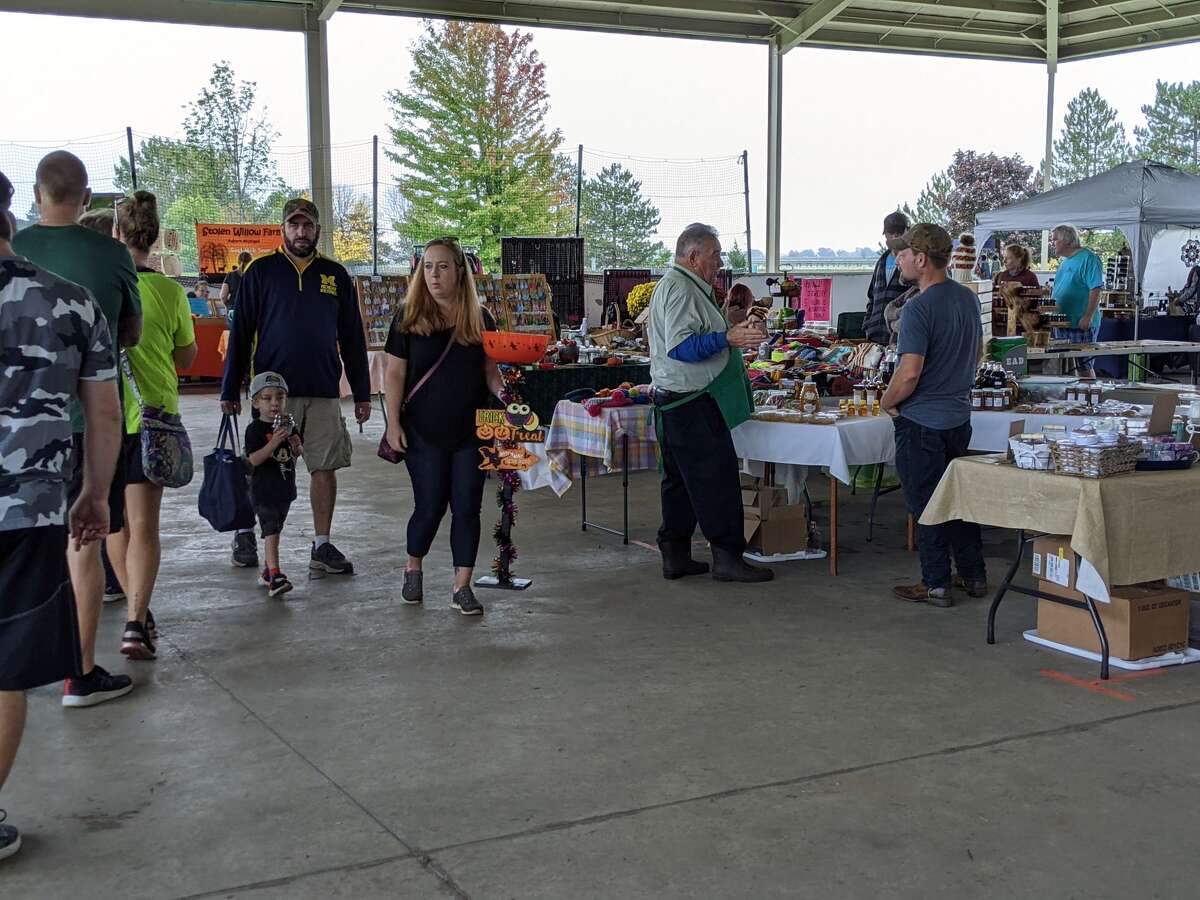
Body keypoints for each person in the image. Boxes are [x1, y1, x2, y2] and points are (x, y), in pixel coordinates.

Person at [1, 169, 123, 859]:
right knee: (5, 667)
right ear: (8, 218)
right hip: (29, 508)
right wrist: (96, 494)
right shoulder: (70, 302)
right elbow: (103, 410)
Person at [12, 150, 141, 707]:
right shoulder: (112, 255)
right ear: (86, 198)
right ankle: (80, 673)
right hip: (82, 425)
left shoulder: (14, 251)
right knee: (82, 544)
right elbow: (129, 335)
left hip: (15, 435)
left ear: (36, 196)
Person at [220, 198, 371, 574]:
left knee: (324, 467)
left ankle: (321, 545)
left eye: (307, 225)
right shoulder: (260, 271)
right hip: (272, 393)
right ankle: (246, 532)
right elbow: (241, 334)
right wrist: (229, 390)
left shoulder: (336, 275)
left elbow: (353, 337)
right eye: (293, 225)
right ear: (283, 229)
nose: (300, 232)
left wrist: (362, 391)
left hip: (322, 390)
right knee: (265, 468)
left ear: (318, 229)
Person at [384, 237, 503, 616]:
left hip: (472, 431)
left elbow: (490, 371)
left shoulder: (480, 318)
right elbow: (394, 374)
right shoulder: (407, 316)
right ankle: (413, 566)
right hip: (422, 432)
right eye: (428, 267)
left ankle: (461, 586)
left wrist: (507, 395)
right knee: (430, 504)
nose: (434, 275)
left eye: (443, 266)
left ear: (459, 271)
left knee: (468, 508)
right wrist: (392, 423)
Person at [649, 223, 773, 583]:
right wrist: (728, 338)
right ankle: (727, 557)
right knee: (716, 480)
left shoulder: (684, 286)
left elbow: (694, 335)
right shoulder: (680, 288)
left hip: (677, 401)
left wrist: (728, 322)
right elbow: (682, 347)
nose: (720, 261)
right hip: (691, 401)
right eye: (715, 253)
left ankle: (675, 553)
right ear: (693, 256)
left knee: (680, 482)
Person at [105, 192, 197, 660]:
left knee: (114, 524)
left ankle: (134, 613)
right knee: (145, 525)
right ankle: (136, 621)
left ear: (116, 233)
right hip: (154, 414)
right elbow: (186, 355)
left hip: (106, 416)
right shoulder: (169, 290)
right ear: (156, 236)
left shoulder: (98, 286)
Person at [880, 224, 987, 608]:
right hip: (958, 416)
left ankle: (936, 583)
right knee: (958, 499)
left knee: (927, 504)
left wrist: (887, 401)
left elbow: (909, 372)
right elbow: (977, 353)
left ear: (921, 259)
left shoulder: (918, 308)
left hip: (923, 419)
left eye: (903, 254)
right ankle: (974, 574)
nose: (898, 260)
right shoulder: (967, 299)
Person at [244, 372, 303, 598]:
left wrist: (295, 443)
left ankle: (268, 571)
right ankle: (276, 576)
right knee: (271, 531)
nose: (275, 403)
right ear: (256, 402)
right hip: (263, 490)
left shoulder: (288, 425)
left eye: (280, 397)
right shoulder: (255, 430)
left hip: (285, 488)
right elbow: (254, 460)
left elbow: (297, 453)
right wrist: (274, 442)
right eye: (267, 398)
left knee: (277, 529)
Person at [1050, 224, 1104, 376]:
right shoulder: (1064, 262)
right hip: (1062, 323)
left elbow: (1096, 288)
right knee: (1067, 367)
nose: (1052, 243)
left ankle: (1090, 397)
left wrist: (1088, 316)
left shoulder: (1089, 259)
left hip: (1079, 323)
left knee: (1083, 367)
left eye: (1055, 240)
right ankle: (1075, 398)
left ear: (1067, 241)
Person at [864, 211, 910, 344]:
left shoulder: (910, 262)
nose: (894, 237)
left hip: (899, 335)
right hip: (874, 334)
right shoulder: (881, 261)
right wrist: (868, 324)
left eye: (899, 233)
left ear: (907, 232)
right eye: (890, 233)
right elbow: (871, 297)